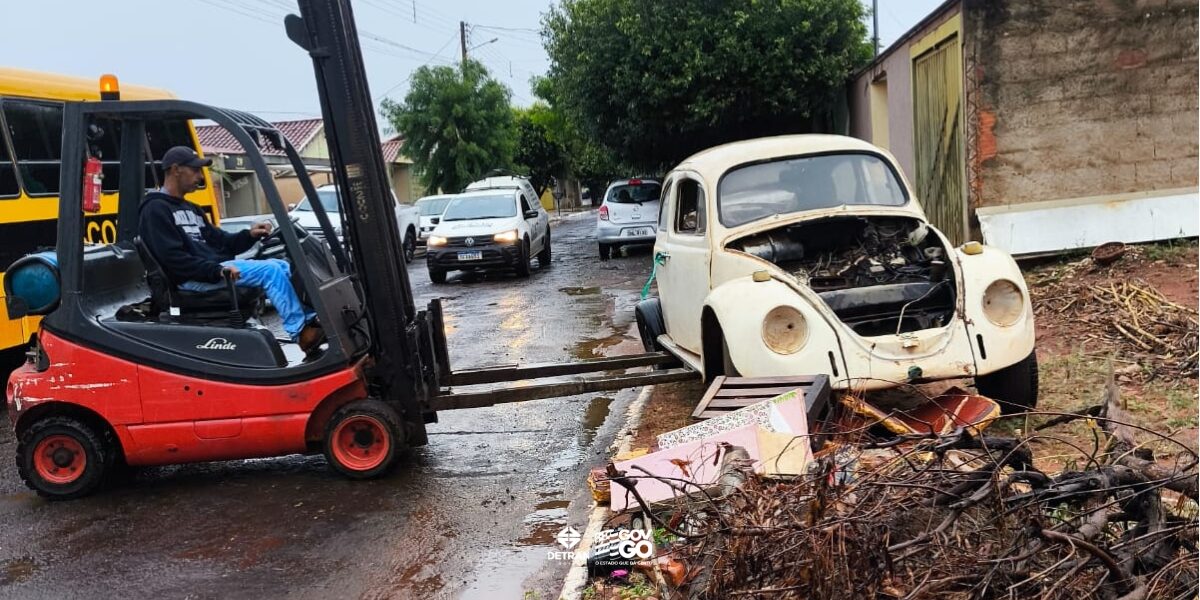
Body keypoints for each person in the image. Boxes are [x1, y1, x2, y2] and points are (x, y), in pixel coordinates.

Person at [138, 146, 324, 353]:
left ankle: (311, 321)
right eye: (195, 170)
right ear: (175, 170)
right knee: (270, 271)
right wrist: (216, 270)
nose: (201, 176)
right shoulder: (155, 209)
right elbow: (173, 259)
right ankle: (300, 333)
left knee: (281, 265)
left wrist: (249, 235)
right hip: (190, 279)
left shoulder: (191, 209)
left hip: (209, 271)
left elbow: (222, 241)